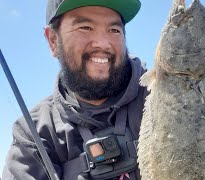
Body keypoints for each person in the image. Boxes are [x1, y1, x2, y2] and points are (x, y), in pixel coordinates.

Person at [2, 0, 147, 179]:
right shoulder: (34, 134)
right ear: (53, 40)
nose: (103, 43)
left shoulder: (164, 95)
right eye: (85, 27)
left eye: (114, 30)